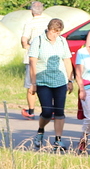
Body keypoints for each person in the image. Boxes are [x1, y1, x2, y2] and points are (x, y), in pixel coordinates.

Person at [27, 17, 72, 150]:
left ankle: (58, 140)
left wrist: (70, 80)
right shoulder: (39, 40)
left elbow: (67, 60)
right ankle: (40, 130)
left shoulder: (62, 41)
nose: (55, 35)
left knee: (59, 111)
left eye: (58, 32)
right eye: (53, 32)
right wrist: (33, 82)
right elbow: (32, 62)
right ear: (48, 29)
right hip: (43, 80)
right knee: (47, 111)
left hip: (60, 80)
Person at [17, 0, 46, 119]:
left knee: (31, 85)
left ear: (31, 11)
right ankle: (50, 110)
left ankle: (31, 111)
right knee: (47, 85)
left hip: (32, 57)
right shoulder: (49, 21)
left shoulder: (30, 23)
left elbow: (24, 40)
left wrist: (27, 46)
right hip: (46, 57)